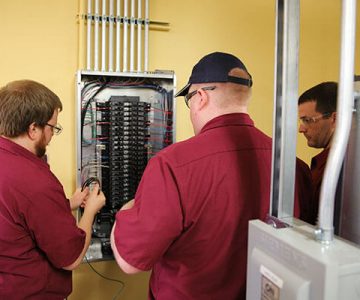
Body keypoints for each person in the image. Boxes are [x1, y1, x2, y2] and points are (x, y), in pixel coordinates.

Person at [110, 52, 311, 299]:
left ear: (201, 97)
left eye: (189, 100)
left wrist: (127, 209)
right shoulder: (293, 165)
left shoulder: (172, 164)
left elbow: (131, 262)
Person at [0, 80, 106, 299]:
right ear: (33, 129)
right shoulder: (35, 181)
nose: (51, 136)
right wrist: (90, 211)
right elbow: (71, 259)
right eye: (52, 128)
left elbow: (17, 215)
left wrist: (68, 204)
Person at [298, 81, 338, 226]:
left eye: (308, 120)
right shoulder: (322, 163)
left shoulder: (343, 169)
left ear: (335, 119)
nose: (301, 129)